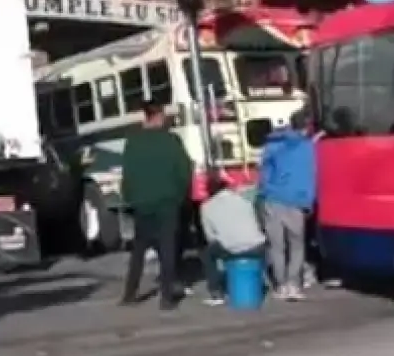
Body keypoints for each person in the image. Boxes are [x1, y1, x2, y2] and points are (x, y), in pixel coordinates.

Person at [119, 101, 193, 310]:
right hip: (167, 203)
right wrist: (179, 196)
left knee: (139, 251)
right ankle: (167, 298)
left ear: (145, 116)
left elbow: (127, 175)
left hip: (142, 204)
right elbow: (184, 171)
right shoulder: (171, 141)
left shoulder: (132, 142)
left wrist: (131, 198)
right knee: (167, 249)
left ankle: (129, 294)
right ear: (159, 116)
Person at [258, 109, 317, 301]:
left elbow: (264, 173)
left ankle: (281, 285)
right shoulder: (308, 147)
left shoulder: (273, 144)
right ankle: (293, 285)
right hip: (296, 201)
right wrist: (309, 201)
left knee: (276, 246)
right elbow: (310, 176)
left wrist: (265, 192)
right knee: (297, 245)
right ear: (307, 126)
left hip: (273, 199)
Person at [198, 175, 267, 306]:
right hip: (258, 247)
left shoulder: (206, 207)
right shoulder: (243, 200)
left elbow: (210, 237)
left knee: (207, 254)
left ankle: (216, 292)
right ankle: (260, 283)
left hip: (233, 249)